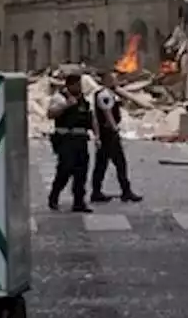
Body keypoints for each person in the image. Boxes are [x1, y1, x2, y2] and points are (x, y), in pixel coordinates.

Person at [91, 72, 142, 203]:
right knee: (119, 162)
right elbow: (107, 113)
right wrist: (115, 129)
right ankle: (125, 191)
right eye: (114, 79)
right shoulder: (105, 95)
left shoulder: (106, 93)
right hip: (108, 133)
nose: (116, 81)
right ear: (107, 80)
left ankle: (97, 192)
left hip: (105, 133)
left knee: (102, 163)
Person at [47, 73, 95, 213]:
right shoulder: (60, 98)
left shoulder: (83, 100)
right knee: (65, 169)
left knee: (81, 172)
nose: (79, 87)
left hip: (81, 140)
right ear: (70, 85)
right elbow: (50, 114)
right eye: (77, 85)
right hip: (65, 139)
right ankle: (54, 196)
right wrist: (67, 105)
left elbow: (91, 119)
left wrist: (96, 135)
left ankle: (79, 202)